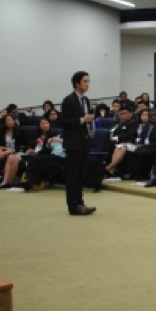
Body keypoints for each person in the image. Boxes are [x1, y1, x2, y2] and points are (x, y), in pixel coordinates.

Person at [60, 71, 96, 215]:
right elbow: (64, 122)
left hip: (84, 140)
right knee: (73, 175)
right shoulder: (68, 100)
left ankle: (80, 203)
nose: (88, 84)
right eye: (85, 81)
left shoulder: (86, 100)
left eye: (88, 81)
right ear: (77, 83)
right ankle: (73, 206)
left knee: (81, 174)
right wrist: (82, 120)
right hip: (73, 142)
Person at [105, 107, 143, 177]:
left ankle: (110, 167)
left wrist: (114, 138)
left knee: (118, 146)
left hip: (124, 142)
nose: (122, 115)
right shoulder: (115, 123)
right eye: (121, 114)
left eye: (125, 114)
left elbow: (129, 134)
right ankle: (111, 168)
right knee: (114, 146)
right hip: (112, 141)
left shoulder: (132, 122)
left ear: (130, 114)